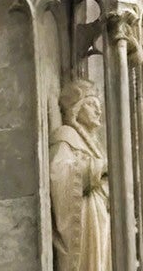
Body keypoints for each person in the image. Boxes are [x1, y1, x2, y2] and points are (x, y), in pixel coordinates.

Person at [50, 77, 112, 271]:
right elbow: (59, 175)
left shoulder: (92, 143)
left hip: (98, 216)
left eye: (98, 106)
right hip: (84, 217)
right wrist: (96, 169)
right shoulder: (66, 135)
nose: (98, 110)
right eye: (92, 105)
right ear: (77, 108)